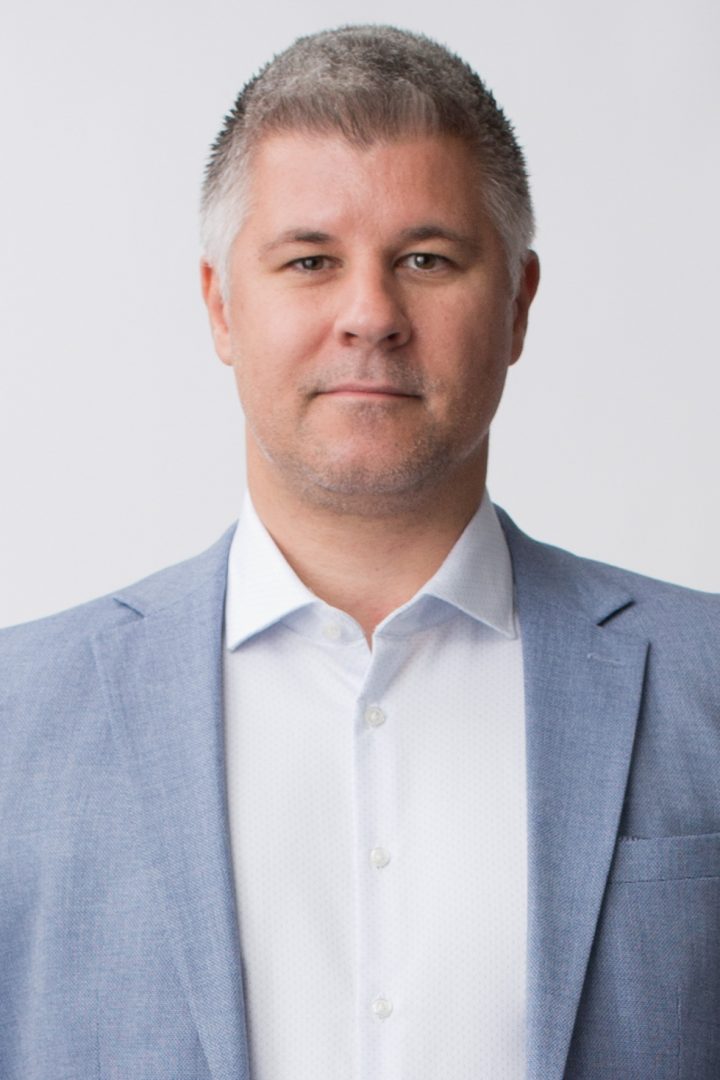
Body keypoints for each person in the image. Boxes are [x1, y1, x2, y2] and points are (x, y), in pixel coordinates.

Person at [1, 24, 718, 1080]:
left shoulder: (707, 680)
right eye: (310, 261)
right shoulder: (15, 719)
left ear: (518, 304)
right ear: (221, 306)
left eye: (427, 259)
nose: (371, 315)